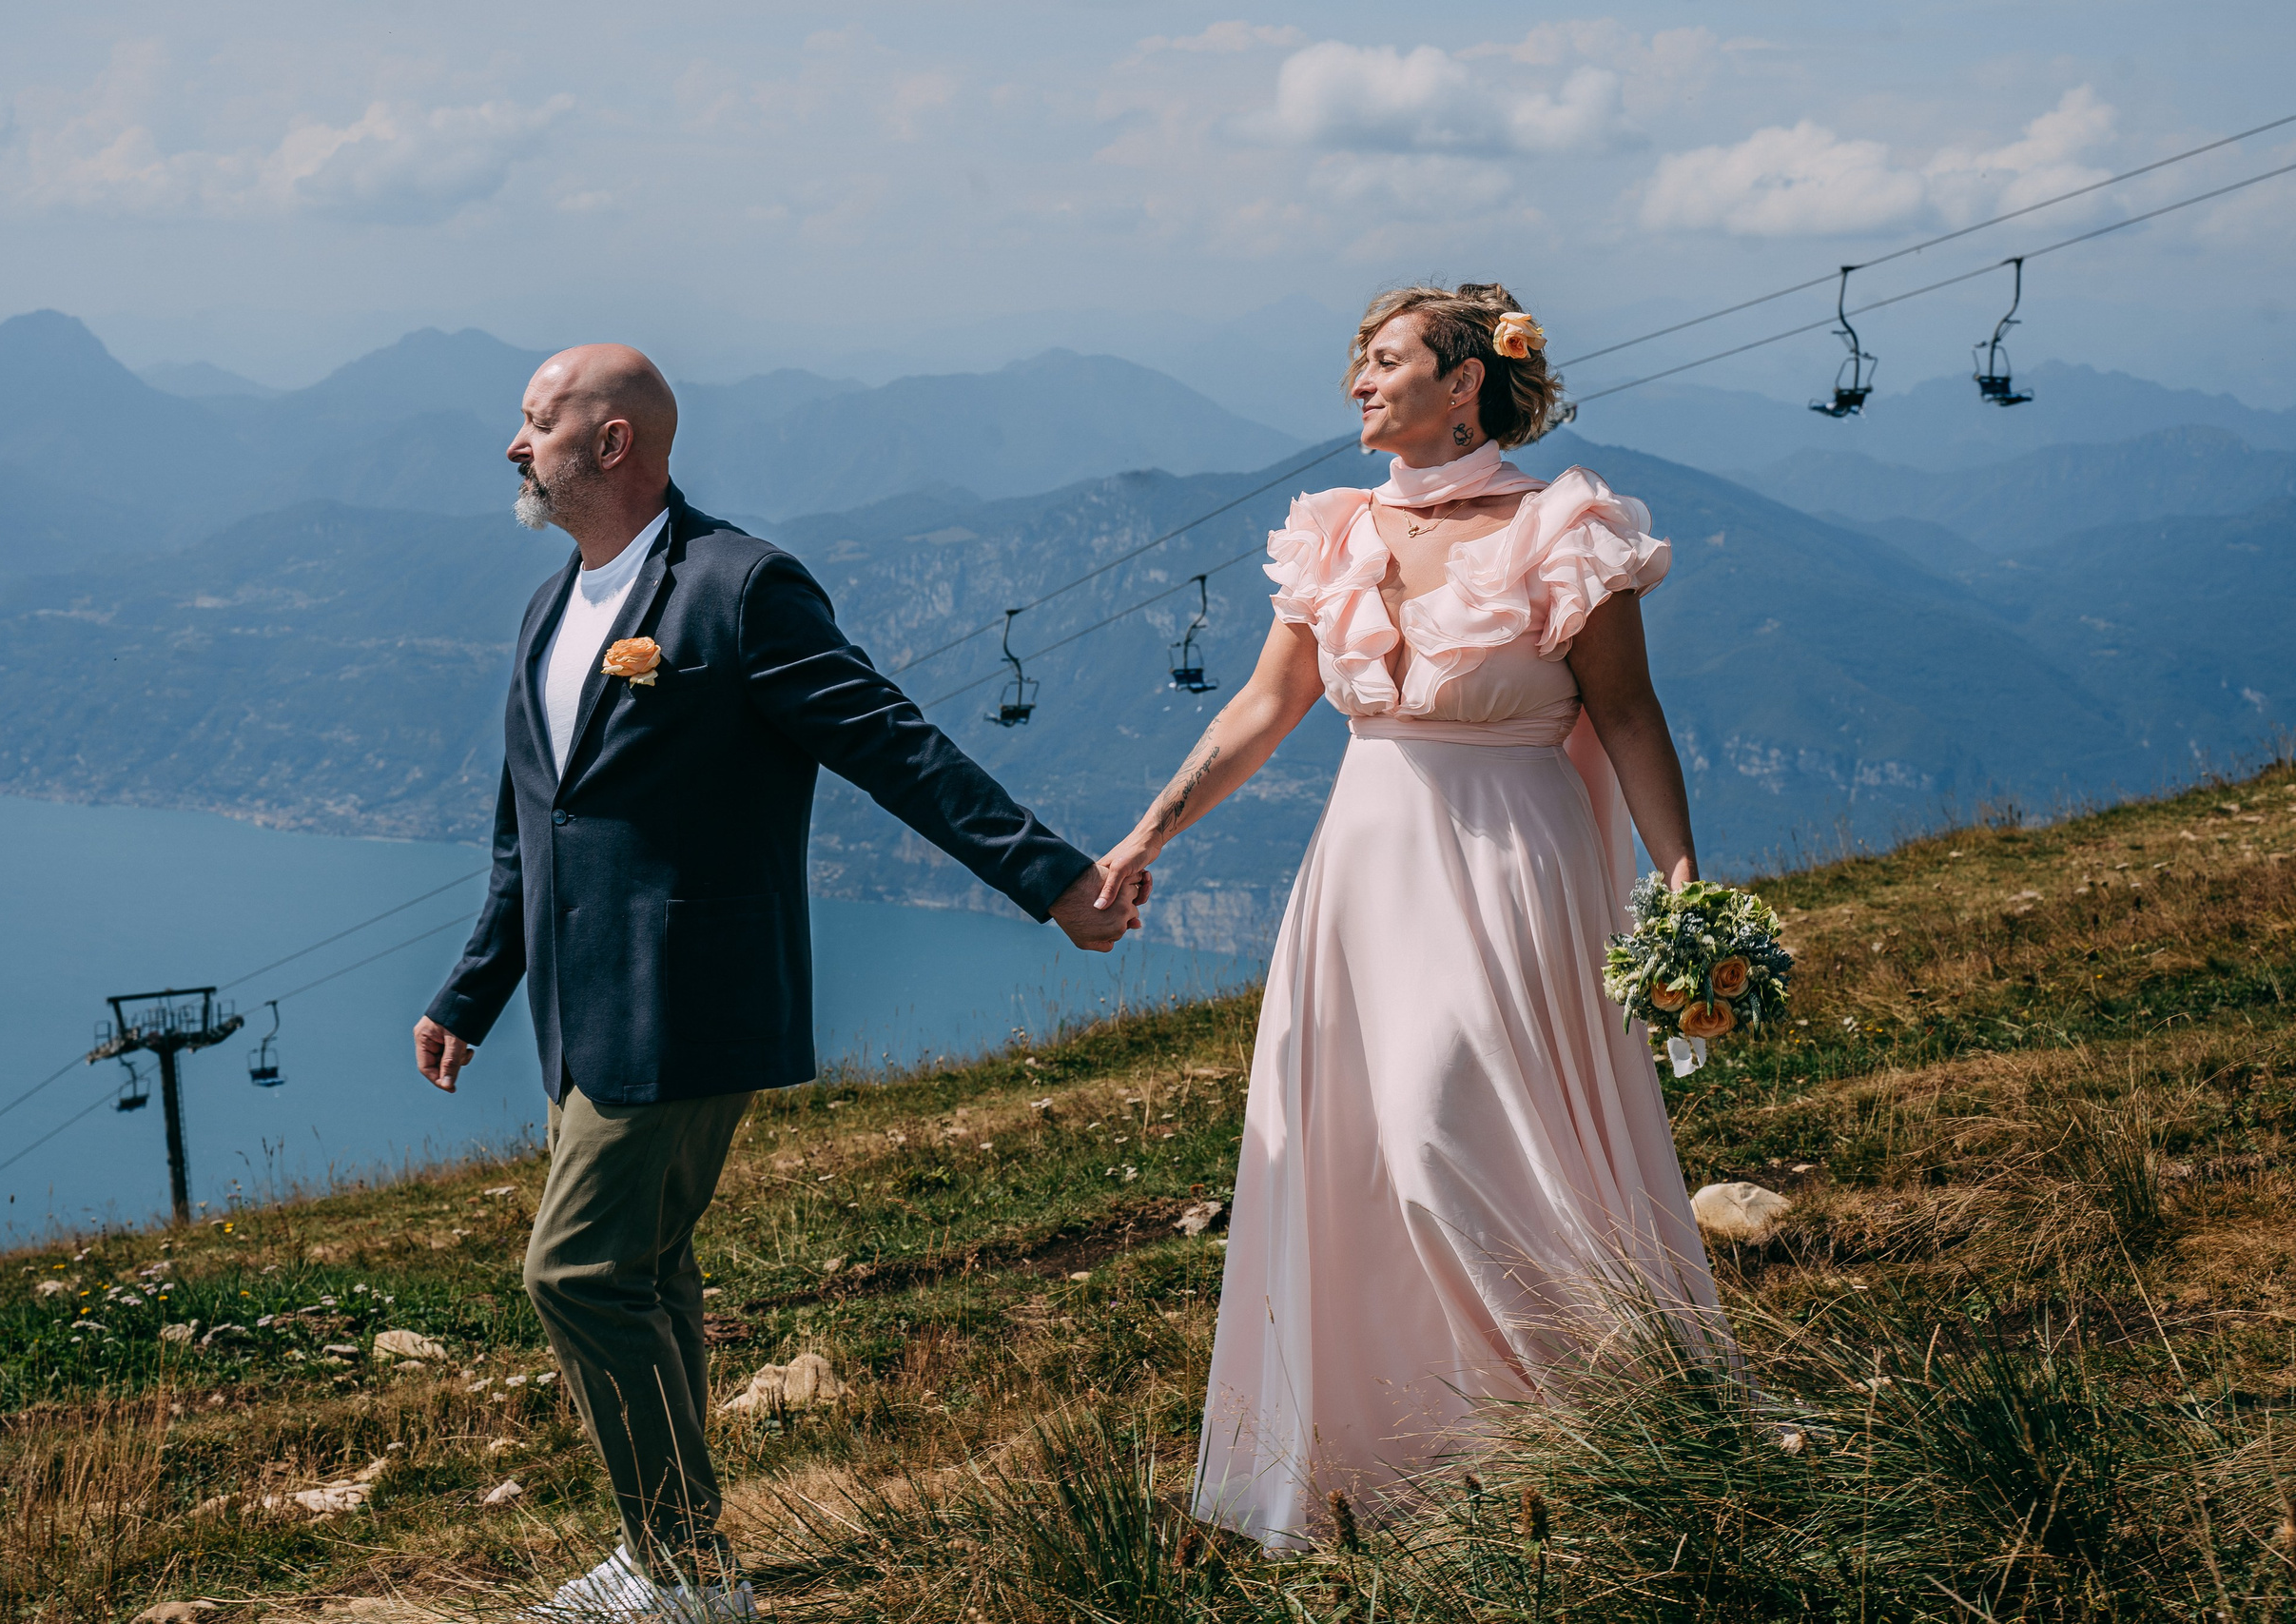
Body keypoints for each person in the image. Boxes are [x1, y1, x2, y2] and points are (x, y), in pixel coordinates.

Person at [412, 344, 1141, 1617]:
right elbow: (526, 830)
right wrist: (470, 993)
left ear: (615, 442)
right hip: (575, 1015)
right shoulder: (549, 611)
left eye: (537, 421)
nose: (513, 445)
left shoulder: (740, 589)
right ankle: (671, 1556)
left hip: (690, 998)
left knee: (576, 1276)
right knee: (647, 1275)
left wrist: (1052, 880)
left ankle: (691, 1575)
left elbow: (894, 745)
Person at [1093, 284, 1726, 1549]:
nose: (1357, 386)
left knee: (1450, 1134)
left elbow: (1629, 712)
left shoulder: (1561, 526)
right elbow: (1262, 714)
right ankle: (1409, 1470)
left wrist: (1679, 875)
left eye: (1385, 363)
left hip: (1504, 871)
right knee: (1359, 1163)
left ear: (1464, 384)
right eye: (1361, 363)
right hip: (1363, 880)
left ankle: (1602, 1418)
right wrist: (1143, 836)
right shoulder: (1333, 533)